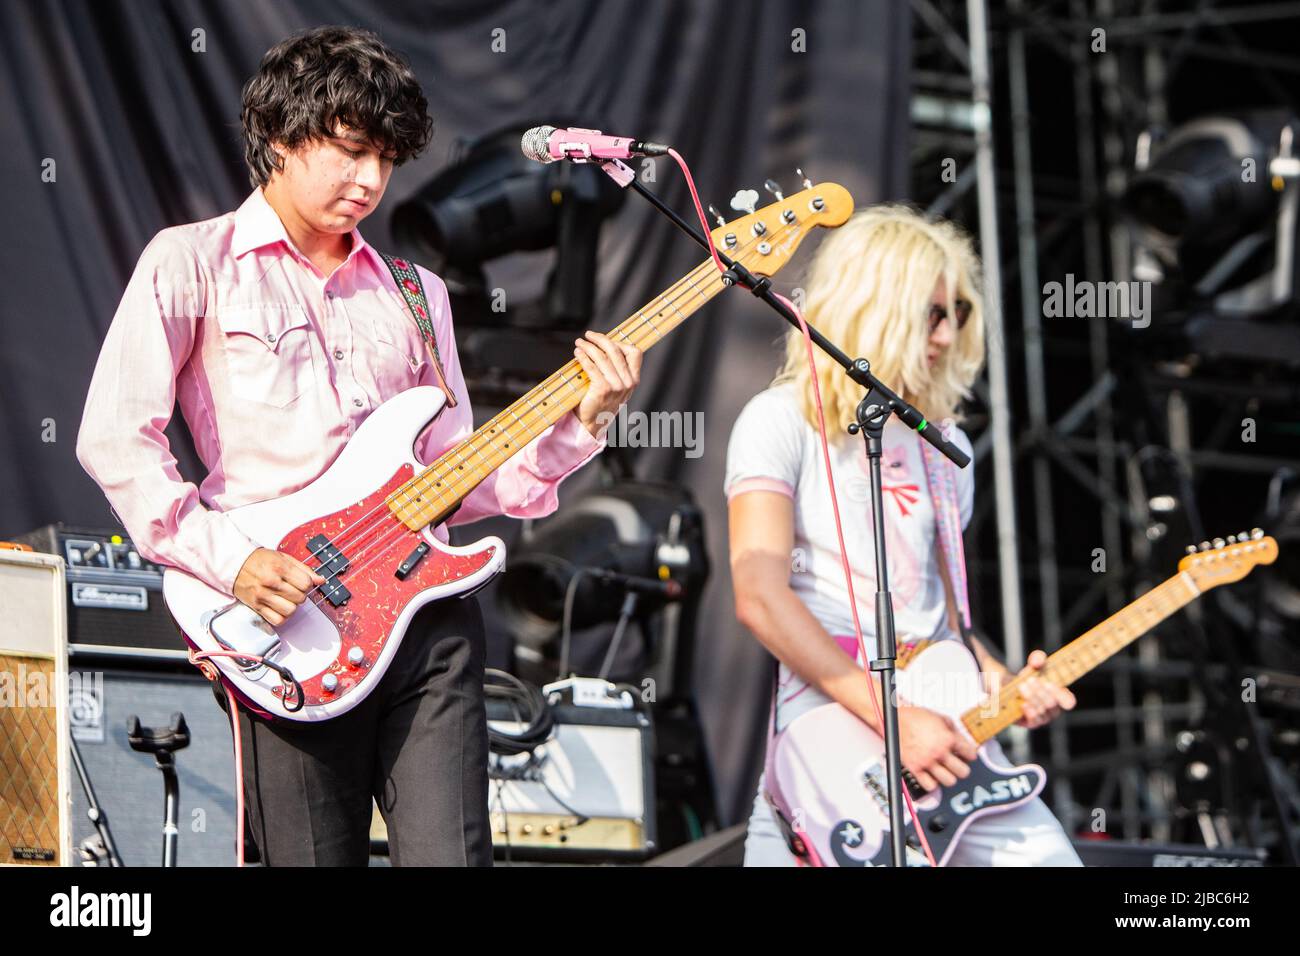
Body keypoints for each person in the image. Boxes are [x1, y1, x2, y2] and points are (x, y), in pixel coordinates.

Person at [75, 25, 642, 866]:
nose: (370, 181)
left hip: (427, 616)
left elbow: (461, 475)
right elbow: (116, 438)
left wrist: (582, 420)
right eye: (349, 152)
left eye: (386, 159)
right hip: (287, 611)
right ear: (277, 136)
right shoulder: (192, 262)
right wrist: (230, 562)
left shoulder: (419, 296)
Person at [725, 205, 1081, 866]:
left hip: (940, 716)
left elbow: (948, 622)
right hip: (830, 721)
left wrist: (1004, 683)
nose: (947, 336)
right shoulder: (777, 420)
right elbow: (760, 595)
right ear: (874, 307)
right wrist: (893, 722)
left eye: (959, 315)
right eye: (932, 314)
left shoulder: (946, 446)